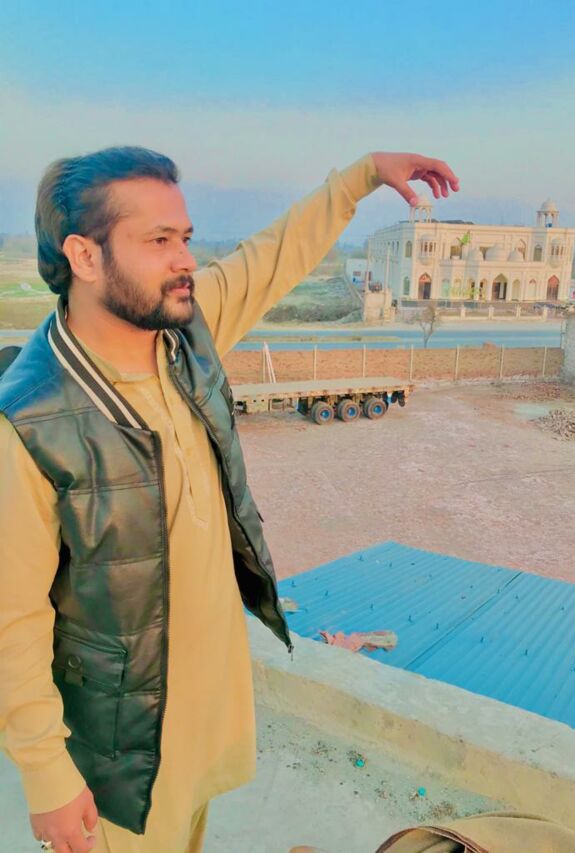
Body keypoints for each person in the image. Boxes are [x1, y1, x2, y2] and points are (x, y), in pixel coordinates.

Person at [0, 146, 459, 852]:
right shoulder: (28, 421)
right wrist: (44, 772)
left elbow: (269, 257)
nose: (186, 259)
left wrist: (363, 175)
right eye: (159, 240)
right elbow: (11, 618)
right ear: (84, 256)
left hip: (202, 720)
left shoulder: (184, 332)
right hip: (119, 754)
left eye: (185, 237)